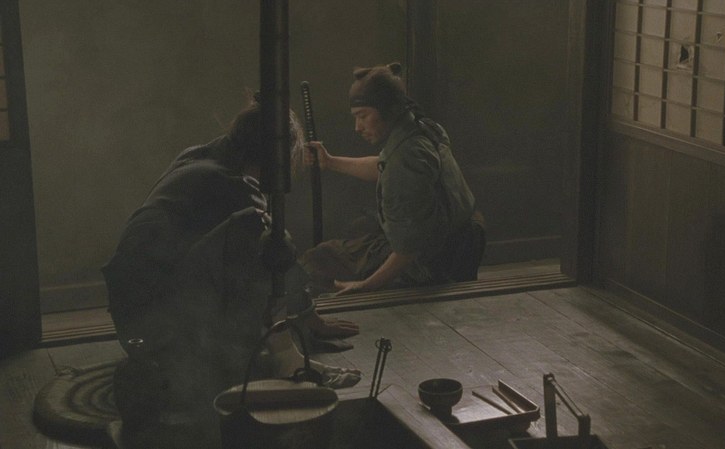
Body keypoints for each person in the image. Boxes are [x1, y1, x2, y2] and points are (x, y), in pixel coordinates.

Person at [101, 94, 361, 437]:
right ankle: (286, 359)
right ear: (278, 158)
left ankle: (267, 351)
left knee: (253, 236)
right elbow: (277, 253)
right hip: (158, 326)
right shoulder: (231, 184)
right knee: (259, 230)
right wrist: (311, 319)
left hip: (132, 315)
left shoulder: (198, 157)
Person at [301, 62, 485, 295]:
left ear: (387, 110)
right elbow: (383, 166)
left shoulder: (406, 157)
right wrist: (330, 162)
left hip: (435, 263)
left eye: (363, 116)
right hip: (461, 241)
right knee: (357, 230)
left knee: (317, 261)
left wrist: (364, 286)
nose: (357, 127)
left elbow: (408, 249)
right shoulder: (421, 129)